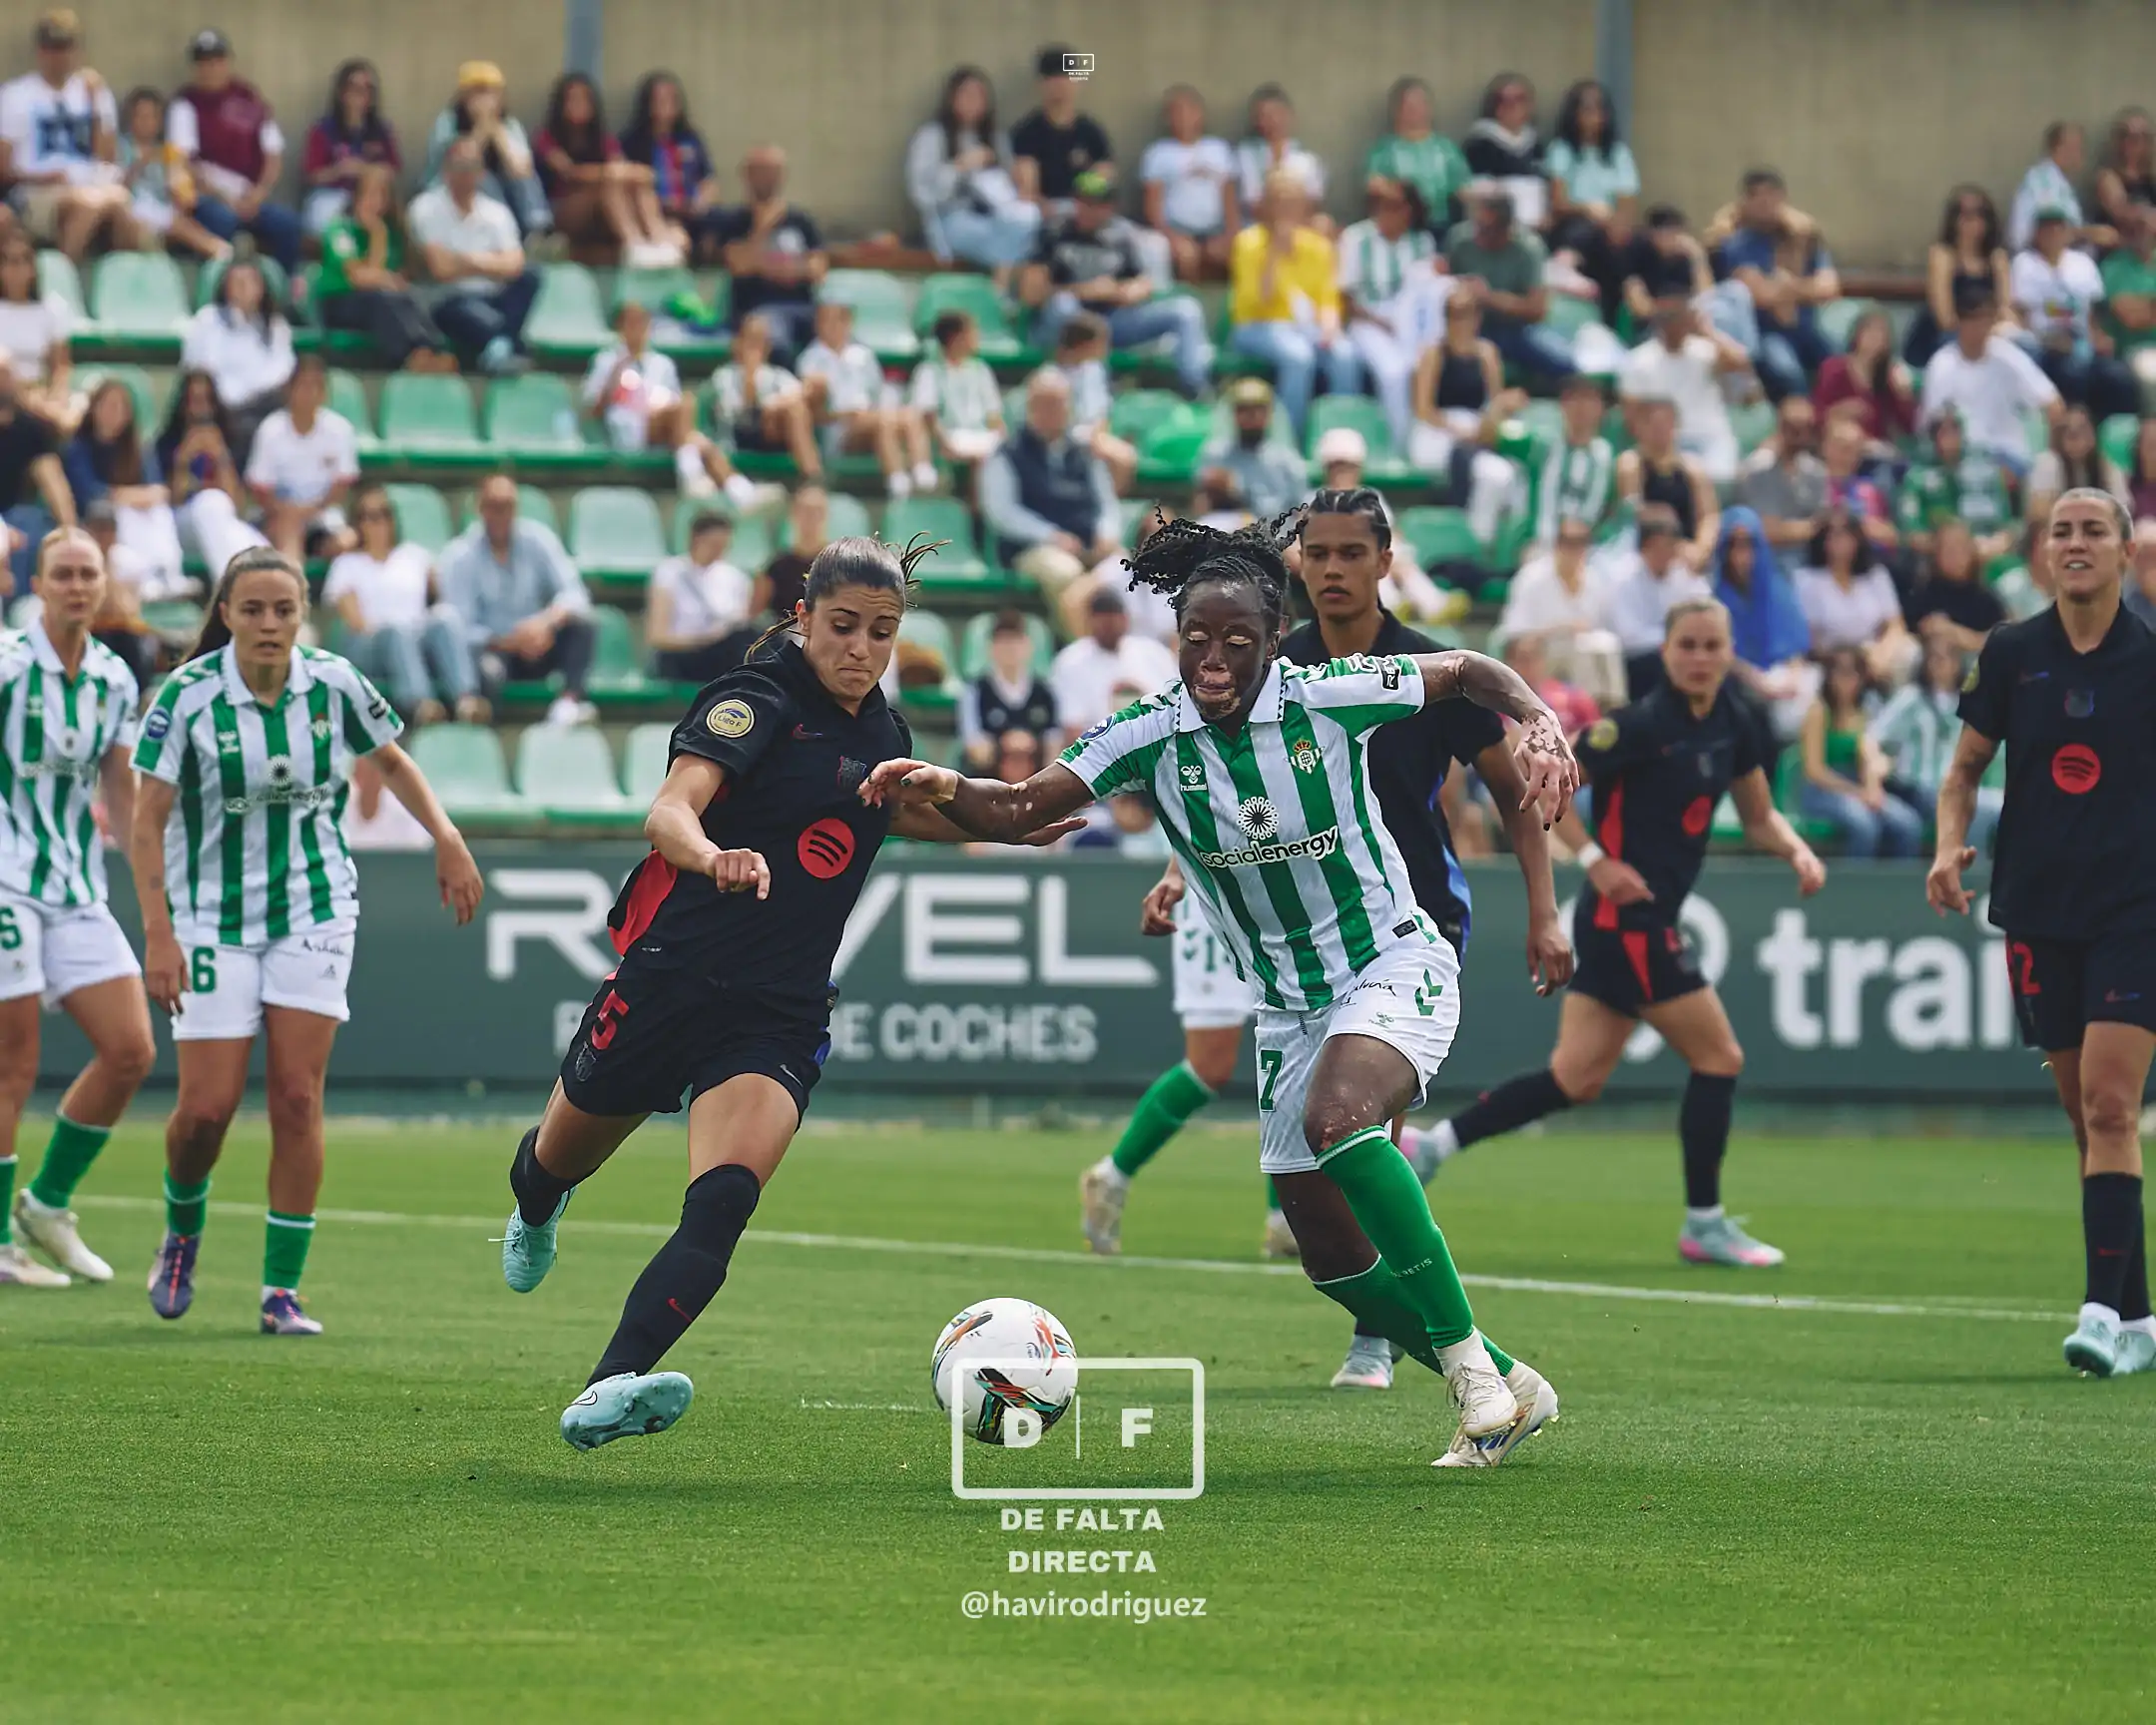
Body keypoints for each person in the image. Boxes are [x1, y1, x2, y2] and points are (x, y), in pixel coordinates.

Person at [864, 510, 1579, 1466]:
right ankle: (1512, 1379)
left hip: (1391, 961)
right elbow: (1022, 807)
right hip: (1287, 1006)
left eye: (1236, 641)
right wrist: (944, 784)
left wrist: (1537, 716)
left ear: (1275, 639)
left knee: (1340, 1122)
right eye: (1195, 638)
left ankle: (1472, 1381)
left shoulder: (1329, 695)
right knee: (1328, 1253)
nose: (1212, 659)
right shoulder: (1148, 732)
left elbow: (1463, 670)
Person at [493, 535, 1081, 1449]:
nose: (862, 649)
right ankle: (536, 1207)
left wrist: (999, 827)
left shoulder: (884, 733)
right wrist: (710, 856)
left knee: (723, 1202)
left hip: (778, 1009)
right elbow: (669, 811)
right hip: (672, 979)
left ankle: (609, 1385)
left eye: (881, 632)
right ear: (803, 617)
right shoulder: (753, 701)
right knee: (551, 1163)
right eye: (843, 626)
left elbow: (886, 815)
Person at [1082, 492, 1572, 1395]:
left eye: (1352, 552)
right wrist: (1182, 870)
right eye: (1319, 553)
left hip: (1408, 916)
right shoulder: (1267, 656)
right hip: (1293, 938)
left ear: (1385, 560)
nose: (1334, 568)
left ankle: (1399, 1346)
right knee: (1329, 1164)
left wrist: (1544, 908)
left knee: (1359, 1122)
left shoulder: (1418, 664)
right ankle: (1425, 1339)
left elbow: (1509, 788)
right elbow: (1222, 789)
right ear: (1298, 566)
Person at [132, 547, 481, 1334]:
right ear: (226, 613)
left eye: (283, 610)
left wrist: (447, 836)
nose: (269, 623)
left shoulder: (333, 682)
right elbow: (145, 819)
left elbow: (392, 761)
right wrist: (158, 932)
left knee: (297, 1097)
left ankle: (280, 1290)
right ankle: (182, 1231)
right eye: (253, 609)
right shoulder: (186, 696)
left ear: (302, 615)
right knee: (205, 1113)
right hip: (209, 918)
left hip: (314, 908)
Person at [1417, 598, 1826, 1269]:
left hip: (1635, 924)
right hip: (1627, 923)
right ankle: (1704, 1223)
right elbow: (1553, 783)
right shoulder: (1635, 727)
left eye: (1712, 645)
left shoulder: (1736, 721)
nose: (1700, 658)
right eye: (1687, 644)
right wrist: (1596, 861)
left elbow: (1758, 816)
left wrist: (1797, 852)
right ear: (1665, 651)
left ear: (1729, 652)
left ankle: (1434, 1146)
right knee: (1720, 1058)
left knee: (1574, 1079)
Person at [1933, 489, 2156, 1368]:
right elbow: (1964, 771)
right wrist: (1947, 848)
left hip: (2135, 908)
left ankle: (2099, 1313)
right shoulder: (2012, 652)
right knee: (2086, 1116)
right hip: (2035, 906)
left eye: (2093, 530)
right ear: (2043, 551)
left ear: (2126, 550)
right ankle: (2140, 1320)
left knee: (2110, 1103)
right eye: (2061, 530)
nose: (2075, 542)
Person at [0, 526, 153, 1289]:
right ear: (37, 584)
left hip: (74, 884)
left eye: (88, 573)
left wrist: (148, 879)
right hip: (4, 878)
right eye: (62, 573)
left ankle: (46, 1204)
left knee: (130, 1049)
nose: (77, 586)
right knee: (12, 1060)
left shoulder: (113, 677)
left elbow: (119, 786)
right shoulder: (6, 664)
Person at [1020, 166, 1211, 397]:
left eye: (1098, 203)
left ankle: (1196, 389)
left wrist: (1126, 291)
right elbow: (1031, 293)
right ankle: (1098, 388)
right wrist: (1084, 291)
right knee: (1064, 304)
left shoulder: (1121, 236)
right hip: (1062, 327)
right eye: (1084, 201)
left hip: (1112, 322)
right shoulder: (1054, 233)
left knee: (1185, 310)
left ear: (1110, 207)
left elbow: (1144, 283)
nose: (1090, 209)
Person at [437, 475, 598, 727]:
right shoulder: (460, 556)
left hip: (538, 643)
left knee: (582, 626)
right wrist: (509, 641)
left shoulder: (538, 540)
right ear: (480, 508)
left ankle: (568, 704)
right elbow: (459, 628)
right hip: (494, 651)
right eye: (494, 506)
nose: (501, 515)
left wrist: (546, 622)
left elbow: (575, 594)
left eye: (508, 506)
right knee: (485, 671)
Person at [322, 480, 483, 723]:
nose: (378, 523)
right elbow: (356, 622)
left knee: (445, 617)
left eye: (384, 514)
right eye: (369, 516)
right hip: (371, 645)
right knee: (396, 630)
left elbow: (437, 597)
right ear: (358, 523)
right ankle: (420, 703)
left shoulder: (414, 556)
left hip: (413, 639)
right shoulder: (347, 564)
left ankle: (465, 700)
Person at [983, 367, 1122, 636]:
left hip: (1090, 544)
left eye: (1058, 403)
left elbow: (1107, 502)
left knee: (1129, 570)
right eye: (1044, 404)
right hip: (1032, 549)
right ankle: (1083, 646)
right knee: (1066, 574)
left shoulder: (1085, 452)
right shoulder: (1007, 453)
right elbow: (1001, 512)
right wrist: (1051, 536)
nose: (1052, 411)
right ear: (1030, 407)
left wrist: (1106, 533)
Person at [585, 299, 762, 508]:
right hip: (628, 430)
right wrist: (616, 372)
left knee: (696, 436)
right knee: (691, 427)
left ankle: (732, 492)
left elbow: (674, 406)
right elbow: (593, 410)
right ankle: (732, 488)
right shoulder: (606, 361)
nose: (637, 329)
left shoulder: (662, 364)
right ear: (620, 328)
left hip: (666, 430)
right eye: (631, 323)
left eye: (642, 322)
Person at [1227, 169, 1349, 441]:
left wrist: (1330, 329)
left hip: (1305, 329)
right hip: (1255, 327)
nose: (1286, 209)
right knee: (1298, 356)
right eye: (1280, 202)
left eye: (1293, 202)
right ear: (1267, 205)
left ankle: (1340, 440)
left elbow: (1328, 300)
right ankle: (1291, 440)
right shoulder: (1248, 243)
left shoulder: (1319, 246)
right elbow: (1259, 302)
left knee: (1345, 355)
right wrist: (1273, 254)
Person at [0, 10, 130, 264]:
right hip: (35, 191)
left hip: (89, 186)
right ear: (40, 51)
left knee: (125, 211)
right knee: (88, 205)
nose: (60, 56)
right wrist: (44, 177)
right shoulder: (16, 95)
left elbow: (106, 158)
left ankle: (117, 287)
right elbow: (3, 168)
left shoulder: (94, 90)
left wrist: (94, 105)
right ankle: (63, 277)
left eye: (66, 47)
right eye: (52, 48)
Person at [166, 29, 299, 271]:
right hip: (211, 198)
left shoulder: (249, 98)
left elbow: (273, 155)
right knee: (222, 221)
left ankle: (281, 288)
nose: (210, 68)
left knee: (287, 224)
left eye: (216, 60)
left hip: (250, 198)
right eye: (203, 62)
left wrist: (258, 194)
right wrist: (226, 198)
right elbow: (183, 163)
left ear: (227, 62)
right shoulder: (185, 105)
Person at [408, 138, 542, 376]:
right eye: (460, 167)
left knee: (530, 277)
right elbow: (441, 269)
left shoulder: (497, 213)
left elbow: (515, 265)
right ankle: (507, 345)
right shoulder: (425, 208)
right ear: (446, 170)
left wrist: (467, 260)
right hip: (450, 299)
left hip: (494, 297)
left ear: (482, 173)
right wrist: (494, 263)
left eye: (472, 167)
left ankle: (499, 346)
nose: (466, 174)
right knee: (465, 310)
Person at [1406, 286, 1527, 545]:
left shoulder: (1487, 354)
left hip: (1475, 428)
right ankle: (1473, 541)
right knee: (1493, 475)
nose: (1458, 321)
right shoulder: (1434, 354)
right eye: (1452, 314)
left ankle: (1485, 540)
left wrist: (1504, 407)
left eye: (1465, 314)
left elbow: (1493, 403)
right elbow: (1423, 409)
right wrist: (1457, 430)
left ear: (1477, 318)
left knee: (1509, 476)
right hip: (1436, 433)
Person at [1334, 175, 1442, 448]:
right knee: (1394, 372)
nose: (1387, 213)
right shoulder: (1356, 238)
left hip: (1413, 324)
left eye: (1396, 206)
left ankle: (1426, 438)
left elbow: (1427, 294)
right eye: (1381, 206)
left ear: (1410, 210)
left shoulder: (1423, 242)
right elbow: (1346, 300)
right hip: (1369, 322)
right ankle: (1400, 445)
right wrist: (1383, 322)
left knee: (1423, 365)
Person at [313, 162, 454, 372]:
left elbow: (389, 278)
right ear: (357, 196)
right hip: (339, 301)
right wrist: (377, 235)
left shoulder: (392, 234)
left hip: (377, 298)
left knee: (408, 297)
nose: (374, 202)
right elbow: (361, 279)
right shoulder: (340, 229)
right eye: (369, 194)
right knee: (380, 299)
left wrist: (385, 273)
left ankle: (431, 350)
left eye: (381, 196)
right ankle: (409, 357)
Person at [1712, 169, 1838, 401]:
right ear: (1745, 203)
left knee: (1840, 366)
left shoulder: (1807, 237)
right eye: (1757, 196)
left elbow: (1829, 288)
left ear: (1783, 198)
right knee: (1787, 371)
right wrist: (1803, 288)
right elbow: (1763, 296)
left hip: (1806, 329)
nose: (1765, 203)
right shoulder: (1737, 245)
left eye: (1771, 195)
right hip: (1765, 334)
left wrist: (1796, 251)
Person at [535, 73, 681, 267]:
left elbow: (621, 167)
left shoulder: (603, 139)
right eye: (572, 99)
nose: (579, 105)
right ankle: (633, 243)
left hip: (601, 210)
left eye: (584, 99)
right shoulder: (546, 139)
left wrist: (631, 174)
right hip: (563, 207)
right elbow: (570, 173)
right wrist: (611, 173)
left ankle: (658, 239)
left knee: (637, 186)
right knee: (609, 185)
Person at [1919, 281, 2062, 479]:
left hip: (2008, 456)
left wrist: (2046, 451)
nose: (1979, 328)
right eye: (1973, 320)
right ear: (1959, 322)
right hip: (1960, 459)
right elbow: (1932, 424)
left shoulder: (2009, 357)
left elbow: (2054, 405)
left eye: (1985, 320)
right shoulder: (1941, 364)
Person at [797, 297, 934, 500]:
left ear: (848, 323)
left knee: (909, 415)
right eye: (826, 320)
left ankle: (922, 472)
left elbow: (878, 394)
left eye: (839, 320)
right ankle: (897, 481)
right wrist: (846, 414)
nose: (832, 326)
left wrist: (875, 412)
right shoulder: (810, 360)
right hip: (840, 431)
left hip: (872, 420)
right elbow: (812, 413)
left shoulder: (863, 355)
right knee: (883, 421)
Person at [905, 67, 1039, 276]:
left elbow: (1010, 186)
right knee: (1002, 242)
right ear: (951, 99)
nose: (973, 101)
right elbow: (922, 194)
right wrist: (958, 167)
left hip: (997, 215)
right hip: (952, 218)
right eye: (966, 94)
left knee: (1029, 225)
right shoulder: (932, 136)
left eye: (979, 95)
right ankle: (1004, 281)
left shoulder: (996, 137)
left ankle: (1003, 280)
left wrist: (1023, 181)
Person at [1875, 633, 2000, 856]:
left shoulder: (1966, 701)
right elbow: (1874, 736)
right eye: (1934, 657)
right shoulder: (1911, 699)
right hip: (1918, 786)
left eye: (1948, 657)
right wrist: (1878, 765)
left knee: (2004, 805)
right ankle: (1964, 866)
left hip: (1957, 783)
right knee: (1973, 809)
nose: (1941, 664)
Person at [2012, 206, 2138, 424]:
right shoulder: (2024, 263)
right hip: (2042, 342)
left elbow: (2095, 312)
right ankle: (2072, 428)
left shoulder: (2083, 263)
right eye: (2046, 229)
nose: (2053, 233)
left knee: (2118, 376)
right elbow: (2020, 315)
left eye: (2058, 228)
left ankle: (2110, 434)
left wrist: (2099, 336)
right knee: (2069, 368)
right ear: (2036, 233)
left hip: (2081, 339)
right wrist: (2048, 340)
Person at [1796, 647, 1924, 857]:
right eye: (1841, 673)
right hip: (1823, 791)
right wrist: (1856, 792)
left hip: (1859, 786)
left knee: (1908, 825)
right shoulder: (1818, 711)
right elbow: (1815, 771)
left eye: (1854, 673)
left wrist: (1873, 788)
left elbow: (1869, 755)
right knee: (1864, 826)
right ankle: (1854, 879)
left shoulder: (1865, 711)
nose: (1848, 681)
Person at [1444, 182, 1574, 384]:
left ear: (1506, 227)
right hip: (1467, 324)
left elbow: (1537, 309)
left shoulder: (1529, 248)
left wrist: (1488, 297)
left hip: (1515, 328)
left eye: (1487, 229)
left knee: (1566, 364)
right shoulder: (1459, 239)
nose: (1479, 235)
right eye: (1477, 226)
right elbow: (1443, 287)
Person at [63, 375, 182, 592]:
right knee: (122, 512)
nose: (114, 413)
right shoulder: (78, 448)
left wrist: (129, 497)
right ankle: (148, 578)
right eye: (108, 406)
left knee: (158, 512)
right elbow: (90, 495)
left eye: (120, 408)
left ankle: (170, 573)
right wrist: (128, 497)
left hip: (138, 516)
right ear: (94, 409)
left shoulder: (137, 448)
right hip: (96, 524)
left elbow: (158, 490)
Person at [1619, 294, 1750, 485]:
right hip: (1666, 442)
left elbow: (1741, 362)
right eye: (1669, 318)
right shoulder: (1639, 361)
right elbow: (1631, 416)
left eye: (1680, 317)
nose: (1675, 324)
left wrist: (1707, 330)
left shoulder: (1705, 351)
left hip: (1710, 437)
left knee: (1722, 479)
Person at [710, 146, 825, 361]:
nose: (767, 177)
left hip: (804, 308)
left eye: (773, 171)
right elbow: (739, 264)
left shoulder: (800, 220)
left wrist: (768, 265)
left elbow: (818, 269)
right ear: (746, 175)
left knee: (845, 342)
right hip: (757, 309)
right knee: (775, 341)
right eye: (760, 171)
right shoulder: (734, 221)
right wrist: (764, 227)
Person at [1712, 505, 1816, 739]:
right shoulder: (1714, 596)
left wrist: (1792, 679)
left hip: (1784, 680)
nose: (1741, 553)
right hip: (1740, 684)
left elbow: (1795, 646)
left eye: (1748, 543)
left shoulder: (1777, 588)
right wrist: (1759, 682)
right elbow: (1724, 654)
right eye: (1733, 544)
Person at [1493, 516, 1623, 703]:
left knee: (1607, 646)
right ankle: (1585, 710)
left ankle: (1613, 706)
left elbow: (1602, 627)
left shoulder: (1593, 580)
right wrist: (1561, 628)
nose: (1574, 551)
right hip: (1538, 654)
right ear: (1557, 546)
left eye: (1580, 544)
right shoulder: (1531, 578)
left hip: (1580, 651)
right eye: (1568, 544)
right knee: (1582, 654)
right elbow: (1515, 635)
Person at [244, 355, 358, 564]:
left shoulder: (340, 430)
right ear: (289, 391)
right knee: (288, 527)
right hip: (275, 517)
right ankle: (295, 582)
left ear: (324, 393)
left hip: (322, 517)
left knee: (348, 541)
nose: (309, 393)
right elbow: (260, 490)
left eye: (316, 386)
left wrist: (309, 511)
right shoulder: (270, 429)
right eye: (303, 386)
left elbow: (342, 487)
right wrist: (289, 512)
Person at [179, 257, 292, 463]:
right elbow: (198, 366)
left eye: (250, 281)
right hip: (218, 406)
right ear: (226, 287)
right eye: (237, 282)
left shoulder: (276, 326)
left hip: (260, 405)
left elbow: (283, 369)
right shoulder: (207, 320)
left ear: (261, 288)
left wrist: (251, 394)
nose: (243, 288)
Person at [155, 367, 263, 587]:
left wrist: (221, 458)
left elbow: (238, 508)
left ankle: (252, 587)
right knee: (210, 503)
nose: (200, 408)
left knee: (254, 544)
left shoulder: (231, 441)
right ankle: (231, 588)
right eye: (194, 401)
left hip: (222, 524)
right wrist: (183, 460)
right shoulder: (167, 443)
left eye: (205, 400)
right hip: (180, 529)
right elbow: (171, 501)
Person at [1542, 79, 1639, 321]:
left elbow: (1627, 204)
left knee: (1629, 248)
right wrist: (1588, 209)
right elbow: (1558, 202)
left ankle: (1617, 319)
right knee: (1585, 229)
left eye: (1599, 108)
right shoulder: (1562, 150)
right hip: (1574, 223)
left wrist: (1614, 224)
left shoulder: (1618, 154)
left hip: (1610, 227)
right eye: (1587, 109)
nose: (1594, 116)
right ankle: (1564, 266)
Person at [420, 61, 549, 240]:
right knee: (483, 178)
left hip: (504, 191)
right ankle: (505, 235)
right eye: (478, 93)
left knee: (527, 176)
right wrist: (481, 129)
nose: (486, 100)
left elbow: (521, 170)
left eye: (492, 92)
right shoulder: (448, 122)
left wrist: (496, 132)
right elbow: (461, 161)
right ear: (464, 97)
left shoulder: (510, 124)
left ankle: (538, 231)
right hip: (449, 187)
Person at [1602, 502, 1714, 696]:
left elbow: (1704, 611)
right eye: (1658, 547)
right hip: (1638, 662)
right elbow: (1630, 637)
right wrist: (1675, 639)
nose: (1665, 553)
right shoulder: (1622, 578)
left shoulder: (1684, 574)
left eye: (1670, 546)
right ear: (1643, 548)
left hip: (1678, 652)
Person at [1797, 505, 1913, 684]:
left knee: (1910, 652)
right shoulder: (1807, 580)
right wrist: (1847, 658)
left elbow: (1895, 625)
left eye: (1846, 535)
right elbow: (1810, 638)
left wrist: (1881, 654)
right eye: (1833, 535)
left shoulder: (1876, 575)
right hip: (1829, 656)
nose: (1840, 542)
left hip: (1872, 651)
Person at [1907, 185, 2017, 365]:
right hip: (1947, 335)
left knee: (2027, 348)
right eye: (1964, 214)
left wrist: (2002, 329)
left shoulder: (1997, 258)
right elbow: (1945, 317)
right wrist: (1976, 333)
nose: (1972, 221)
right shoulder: (1943, 255)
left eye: (1979, 214)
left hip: (1989, 334)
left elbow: (2004, 308)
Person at [617, 72, 721, 262]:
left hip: (690, 212)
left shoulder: (690, 139)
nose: (666, 104)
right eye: (659, 99)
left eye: (671, 99)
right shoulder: (632, 142)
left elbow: (708, 179)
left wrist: (699, 203)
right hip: (652, 213)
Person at [119, 83, 227, 263]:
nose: (146, 122)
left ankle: (219, 252)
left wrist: (179, 183)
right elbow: (118, 186)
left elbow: (179, 191)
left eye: (152, 117)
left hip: (163, 211)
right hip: (133, 209)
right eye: (141, 116)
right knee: (177, 224)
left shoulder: (166, 152)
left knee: (197, 218)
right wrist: (140, 163)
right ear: (131, 118)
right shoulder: (121, 147)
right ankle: (219, 252)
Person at [1895, 405, 2017, 565]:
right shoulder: (1917, 478)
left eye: (1954, 430)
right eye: (1942, 431)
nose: (1949, 438)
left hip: (1989, 551)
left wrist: (1996, 543)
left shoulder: (1987, 471)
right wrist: (1959, 550)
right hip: (1939, 559)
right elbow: (1913, 534)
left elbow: (2006, 526)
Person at [1141, 84, 1238, 283]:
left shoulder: (1219, 149)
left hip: (1216, 229)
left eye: (1190, 110)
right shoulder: (1157, 153)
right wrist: (1172, 237)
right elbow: (1152, 208)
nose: (1183, 116)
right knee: (1187, 256)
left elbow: (1230, 199)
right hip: (1177, 230)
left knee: (1238, 251)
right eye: (1176, 111)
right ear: (1167, 118)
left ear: (1200, 114)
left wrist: (1230, 233)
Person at [1048, 586, 1177, 735]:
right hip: (1100, 744)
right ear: (1090, 621)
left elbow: (1176, 706)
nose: (1110, 627)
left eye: (1115, 619)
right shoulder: (1071, 662)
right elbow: (1072, 727)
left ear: (1126, 619)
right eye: (1104, 622)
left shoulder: (1153, 653)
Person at [708, 311, 820, 481]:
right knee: (793, 408)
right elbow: (732, 414)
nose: (755, 347)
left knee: (798, 408)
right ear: (738, 343)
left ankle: (812, 476)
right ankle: (814, 476)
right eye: (751, 339)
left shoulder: (778, 374)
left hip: (777, 435)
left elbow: (798, 398)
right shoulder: (725, 375)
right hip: (743, 434)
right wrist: (750, 382)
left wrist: (774, 405)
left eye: (761, 340)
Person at [647, 508, 756, 683]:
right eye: (713, 544)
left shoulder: (735, 577)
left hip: (721, 652)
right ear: (696, 539)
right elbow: (658, 636)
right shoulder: (670, 572)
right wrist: (704, 640)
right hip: (683, 654)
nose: (717, 551)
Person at [1010, 45, 1113, 223]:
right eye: (1052, 77)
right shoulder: (1027, 133)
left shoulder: (1091, 131)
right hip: (1044, 216)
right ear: (1041, 83)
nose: (1060, 83)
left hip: (1087, 214)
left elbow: (1105, 178)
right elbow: (1027, 191)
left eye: (1067, 76)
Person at [1617, 396, 1720, 571]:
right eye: (1652, 424)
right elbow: (1635, 513)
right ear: (1639, 427)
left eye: (1666, 423)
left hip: (1686, 555)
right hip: (1644, 554)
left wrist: (1701, 549)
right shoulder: (1632, 464)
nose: (1660, 430)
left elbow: (1709, 516)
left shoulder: (1693, 469)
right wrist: (1669, 547)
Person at [298, 58, 399, 238]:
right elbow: (312, 175)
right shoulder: (323, 130)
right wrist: (339, 170)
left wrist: (365, 170)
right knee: (322, 218)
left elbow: (393, 171)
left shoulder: (381, 131)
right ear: (341, 92)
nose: (361, 95)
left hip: (372, 197)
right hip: (334, 194)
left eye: (367, 89)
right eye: (355, 88)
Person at [0, 353, 74, 591]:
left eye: (5, 375)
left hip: (15, 515)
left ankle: (21, 604)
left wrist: (70, 532)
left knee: (33, 529)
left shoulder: (31, 429)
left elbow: (52, 480)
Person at [1365, 76, 1470, 240]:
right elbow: (1373, 184)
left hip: (1441, 227)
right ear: (1397, 111)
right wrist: (1402, 196)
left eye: (1421, 104)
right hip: (1402, 229)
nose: (1416, 111)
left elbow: (1463, 186)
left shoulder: (1444, 148)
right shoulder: (1386, 149)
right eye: (1409, 106)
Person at [907, 308, 1005, 477]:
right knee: (978, 460)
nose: (977, 336)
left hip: (982, 436)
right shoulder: (929, 371)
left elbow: (994, 416)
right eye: (972, 332)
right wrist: (946, 444)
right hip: (952, 437)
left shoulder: (982, 370)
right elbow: (929, 417)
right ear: (956, 338)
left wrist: (1003, 440)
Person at [957, 608, 1057, 771]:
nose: (1010, 649)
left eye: (1015, 641)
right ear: (991, 648)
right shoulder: (976, 691)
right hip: (988, 779)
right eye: (1003, 642)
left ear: (1028, 646)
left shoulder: (1046, 692)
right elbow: (976, 751)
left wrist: (1030, 746)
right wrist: (1006, 745)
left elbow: (1054, 749)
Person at [1199, 376, 1308, 521]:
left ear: (1268, 414)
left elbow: (1300, 510)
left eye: (1257, 410)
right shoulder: (1216, 456)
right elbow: (1201, 506)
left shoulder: (1287, 461)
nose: (1251, 417)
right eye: (1244, 410)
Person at [0, 230, 77, 433]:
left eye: (24, 260)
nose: (16, 269)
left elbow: (61, 366)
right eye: (9, 261)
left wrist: (56, 396)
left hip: (40, 395)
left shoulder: (51, 309)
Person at [1530, 374, 1618, 547]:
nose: (1581, 407)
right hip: (1542, 541)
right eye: (1574, 399)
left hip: (1591, 546)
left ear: (1602, 409)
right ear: (1562, 406)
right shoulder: (1540, 446)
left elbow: (1610, 511)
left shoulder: (1608, 457)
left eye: (1589, 400)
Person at [1813, 308, 1915, 454]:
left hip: (1875, 448)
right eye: (1869, 331)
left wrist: (1903, 395)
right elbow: (1817, 415)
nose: (1874, 338)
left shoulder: (1888, 376)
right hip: (1839, 446)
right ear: (1857, 335)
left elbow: (1908, 427)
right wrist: (1840, 411)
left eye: (1881, 333)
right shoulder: (1834, 369)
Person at [1740, 393, 1828, 555]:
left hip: (1808, 558)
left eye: (1806, 428)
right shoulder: (1759, 469)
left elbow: (1823, 524)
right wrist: (1809, 527)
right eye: (1793, 428)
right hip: (1766, 557)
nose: (1800, 436)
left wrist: (1803, 528)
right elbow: (1767, 532)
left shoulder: (1816, 471)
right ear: (1780, 427)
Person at [1235, 85, 1328, 229]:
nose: (1272, 120)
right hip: (1259, 227)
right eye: (1264, 116)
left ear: (1290, 115)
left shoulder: (1307, 160)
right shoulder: (1246, 154)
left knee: (1323, 223)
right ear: (1256, 121)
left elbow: (1313, 203)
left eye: (1277, 113)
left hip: (1299, 226)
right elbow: (1252, 203)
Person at [1462, 72, 1546, 228]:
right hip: (1498, 226)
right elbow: (1478, 190)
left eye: (1520, 99)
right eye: (1504, 101)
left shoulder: (1535, 142)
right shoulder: (1480, 142)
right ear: (1494, 106)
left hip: (1538, 224)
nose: (1513, 107)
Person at [2009, 122, 2103, 254]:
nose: (2081, 155)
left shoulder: (2062, 183)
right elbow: (2038, 234)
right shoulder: (2041, 182)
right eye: (2078, 148)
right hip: (2040, 262)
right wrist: (2088, 233)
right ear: (2059, 149)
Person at [2027, 405, 2128, 524]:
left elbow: (2123, 511)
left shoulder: (2107, 467)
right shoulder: (2048, 463)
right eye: (2069, 432)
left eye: (2082, 429)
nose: (2076, 436)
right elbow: (2039, 513)